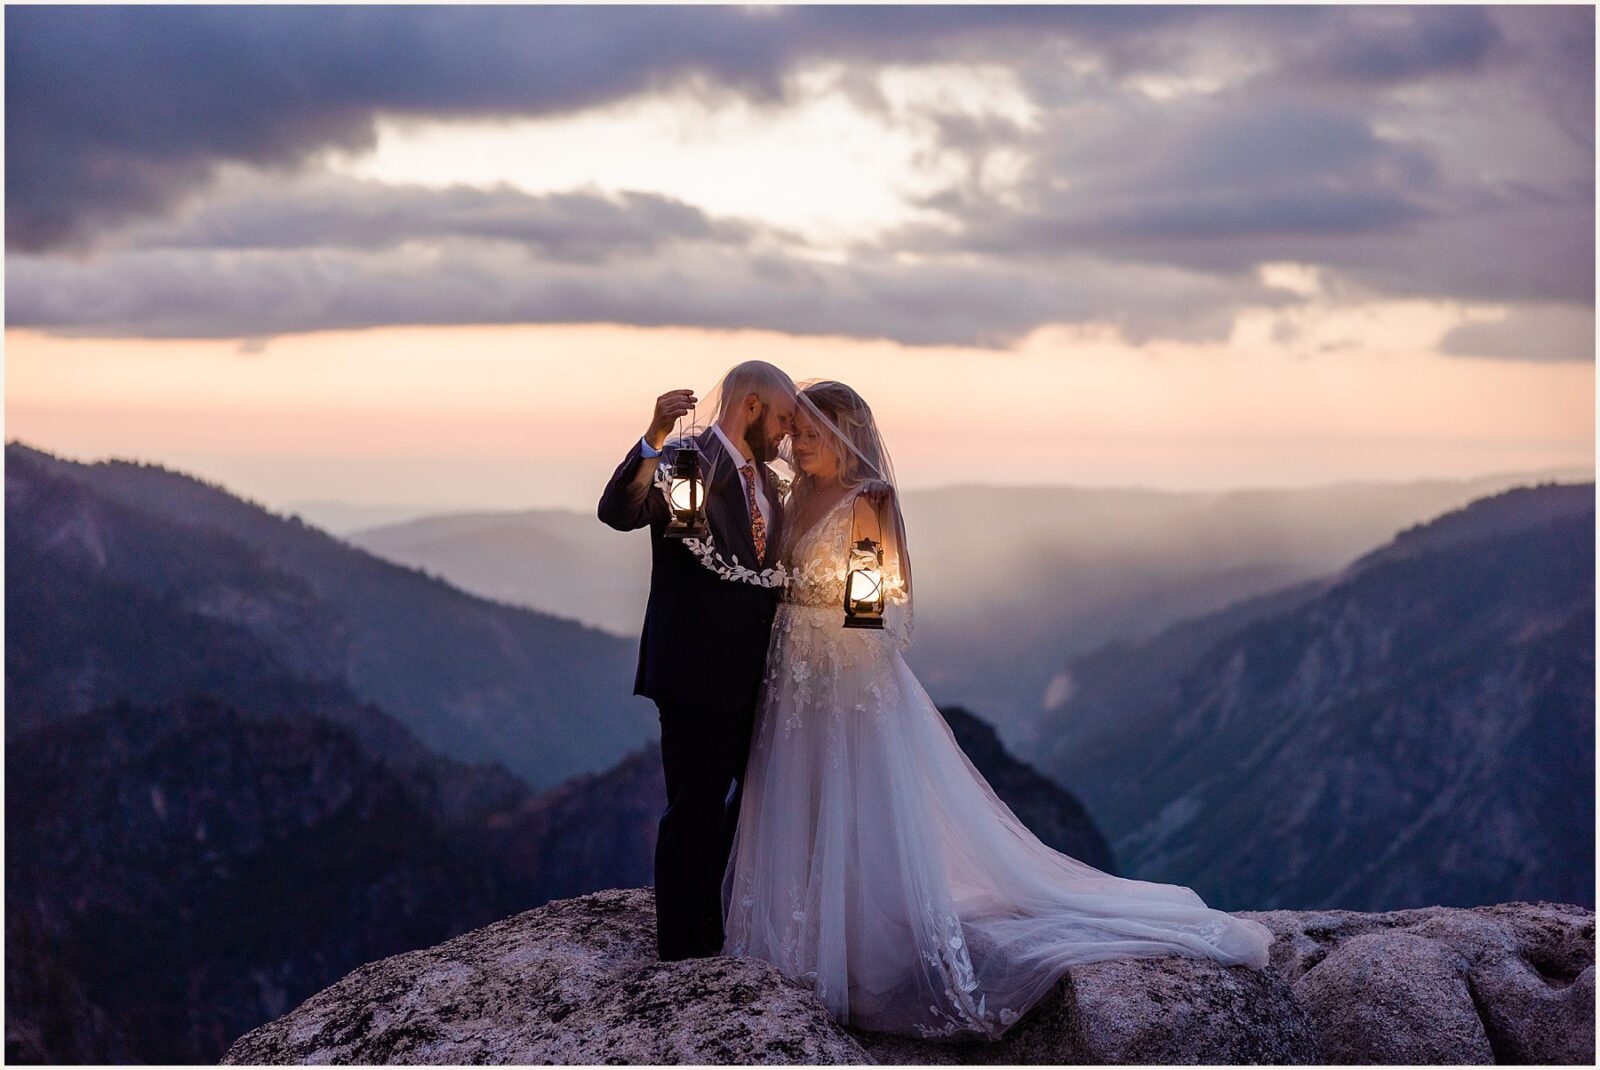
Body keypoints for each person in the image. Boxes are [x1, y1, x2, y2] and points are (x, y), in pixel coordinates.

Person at [720, 380, 1275, 1039]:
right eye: (798, 432)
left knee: (853, 798)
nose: (799, 443)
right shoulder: (793, 495)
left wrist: (836, 659)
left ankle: (861, 943)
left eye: (813, 433)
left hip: (843, 672)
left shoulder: (867, 500)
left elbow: (871, 604)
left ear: (845, 436)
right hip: (789, 671)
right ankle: (801, 928)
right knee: (799, 796)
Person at [598, 360, 797, 960]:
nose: (787, 432)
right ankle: (684, 947)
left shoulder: (771, 483)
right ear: (752, 406)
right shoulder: (684, 460)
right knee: (694, 807)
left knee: (754, 800)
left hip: (755, 676)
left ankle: (718, 918)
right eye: (783, 418)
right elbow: (619, 512)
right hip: (693, 672)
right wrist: (654, 435)